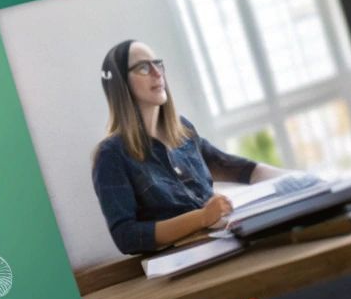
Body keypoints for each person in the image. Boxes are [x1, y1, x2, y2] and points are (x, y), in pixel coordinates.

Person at [90, 39, 285, 255]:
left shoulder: (183, 130)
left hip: (227, 244)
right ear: (119, 84)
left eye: (158, 64)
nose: (157, 73)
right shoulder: (111, 155)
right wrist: (201, 218)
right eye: (143, 67)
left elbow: (240, 169)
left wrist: (297, 180)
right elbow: (126, 237)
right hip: (184, 262)